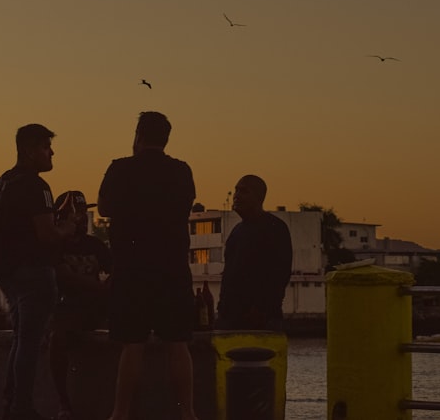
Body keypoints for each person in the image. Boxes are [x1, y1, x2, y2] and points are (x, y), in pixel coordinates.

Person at [97, 111, 199, 420]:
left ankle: (120, 413)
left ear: (138, 136)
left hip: (131, 267)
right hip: (172, 267)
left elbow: (103, 207)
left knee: (133, 344)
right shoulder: (181, 171)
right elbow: (185, 204)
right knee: (178, 343)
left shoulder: (120, 169)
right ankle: (187, 413)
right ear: (166, 138)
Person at [0, 123, 77, 420]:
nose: (52, 153)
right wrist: (69, 226)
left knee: (20, 338)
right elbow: (47, 235)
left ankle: (12, 401)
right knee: (30, 341)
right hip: (34, 275)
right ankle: (22, 407)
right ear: (28, 150)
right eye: (45, 147)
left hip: (9, 274)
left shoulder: (5, 182)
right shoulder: (38, 187)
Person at [49, 190, 112, 420]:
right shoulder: (55, 246)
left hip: (95, 309)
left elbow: (117, 270)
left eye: (84, 214)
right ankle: (64, 402)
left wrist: (110, 286)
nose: (82, 219)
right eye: (76, 214)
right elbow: (64, 277)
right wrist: (100, 288)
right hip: (66, 309)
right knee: (58, 338)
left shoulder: (96, 245)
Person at [216, 175, 293, 330]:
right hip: (231, 319)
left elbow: (280, 274)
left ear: (259, 197)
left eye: (244, 191)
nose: (236, 196)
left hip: (259, 321)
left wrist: (261, 309)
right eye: (236, 191)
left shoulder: (275, 228)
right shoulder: (236, 232)